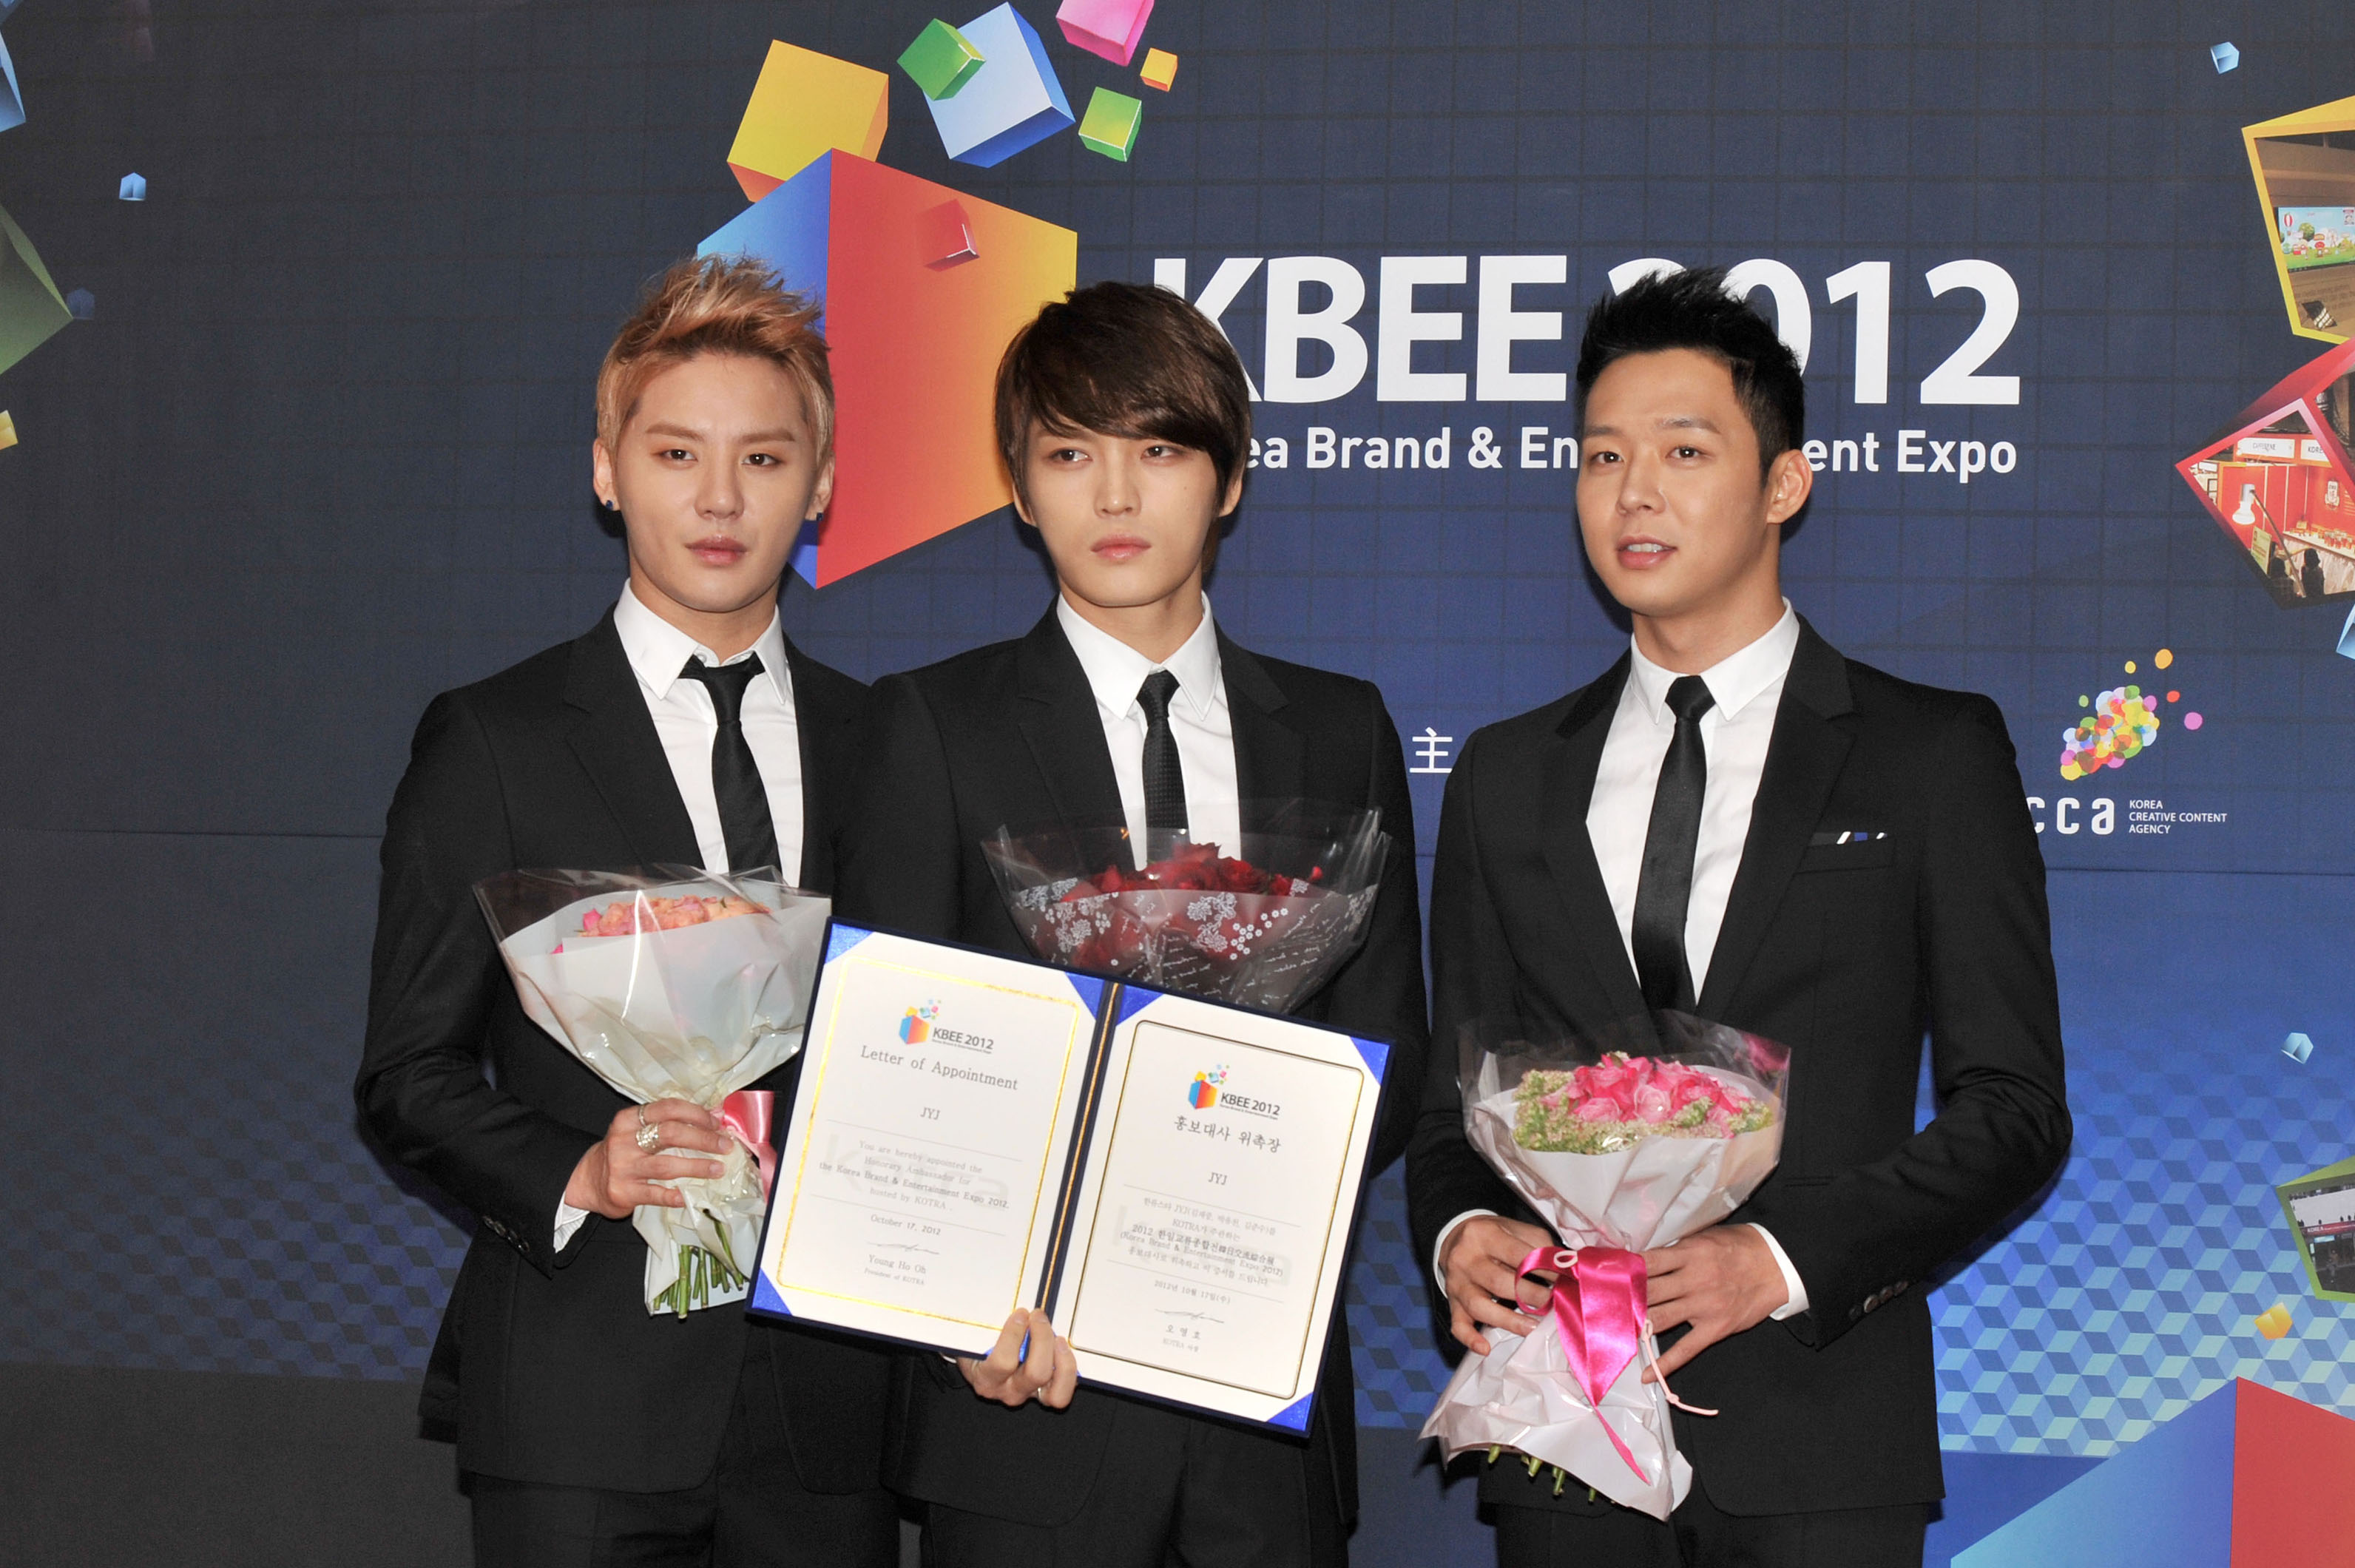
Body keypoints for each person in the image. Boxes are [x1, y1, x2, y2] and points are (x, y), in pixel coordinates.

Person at [1405, 266, 2071, 1567]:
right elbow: (1452, 1106)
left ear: (1784, 485)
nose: (1633, 492)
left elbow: (2014, 1108)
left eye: (1684, 451)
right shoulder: (1504, 773)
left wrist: (1779, 1257)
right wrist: (1459, 1235)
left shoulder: (1929, 755)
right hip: (1563, 1432)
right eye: (1603, 456)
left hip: (1824, 1432)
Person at [836, 280, 1428, 1567]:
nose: (1115, 495)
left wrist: (1243, 1177)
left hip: (1260, 1408)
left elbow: (1389, 1046)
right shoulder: (933, 724)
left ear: (1229, 479)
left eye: (1158, 451)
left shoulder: (1342, 729)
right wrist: (958, 1311)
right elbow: (888, 1066)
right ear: (1018, 488)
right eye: (1069, 455)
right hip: (1020, 1400)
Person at [356, 256, 896, 1567]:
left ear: (822, 483)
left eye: (765, 459)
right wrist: (581, 1168)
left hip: (828, 1417)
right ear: (607, 470)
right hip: (578, 1405)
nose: (720, 498)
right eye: (675, 454)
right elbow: (409, 1074)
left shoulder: (885, 741)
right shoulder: (495, 740)